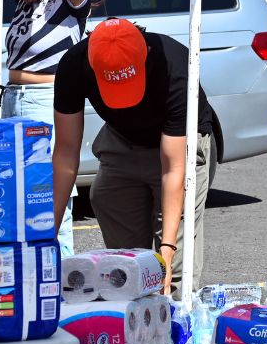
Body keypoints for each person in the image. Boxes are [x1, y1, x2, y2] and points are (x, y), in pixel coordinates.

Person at [51, 17, 213, 297]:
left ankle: (176, 324)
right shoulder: (74, 64)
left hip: (178, 143)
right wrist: (48, 233)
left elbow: (173, 169)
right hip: (121, 139)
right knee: (123, 272)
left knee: (172, 274)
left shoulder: (174, 67)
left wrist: (166, 252)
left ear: (145, 56)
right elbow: (66, 155)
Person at [0, 0, 92, 257]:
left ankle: (60, 272)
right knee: (15, 194)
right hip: (13, 100)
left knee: (47, 193)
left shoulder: (70, 1)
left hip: (47, 101)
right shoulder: (25, 0)